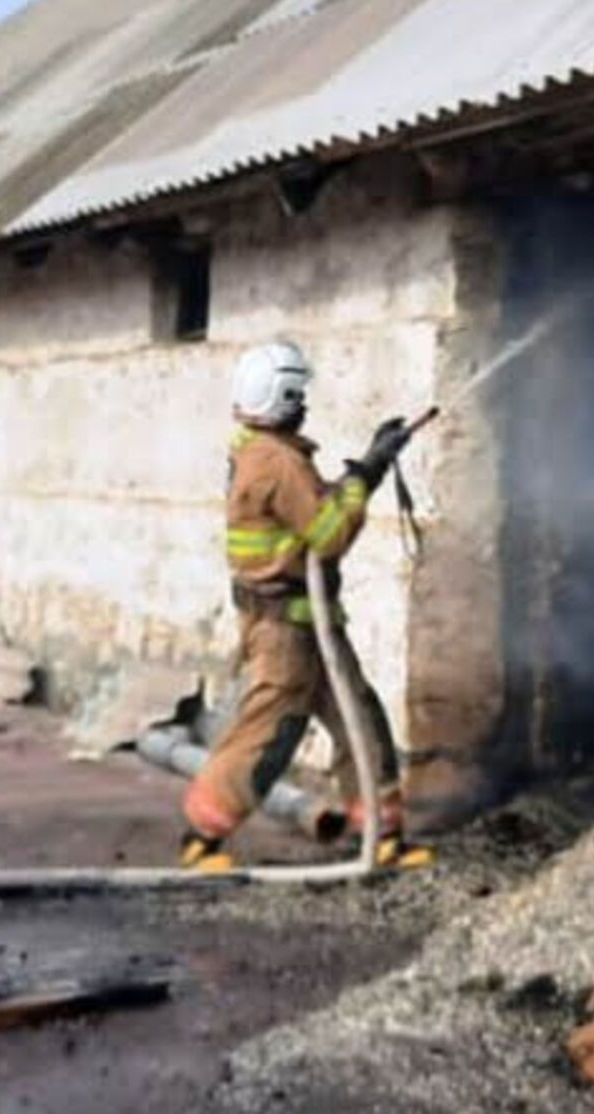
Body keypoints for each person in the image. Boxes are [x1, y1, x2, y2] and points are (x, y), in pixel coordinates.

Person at [178, 341, 434, 872]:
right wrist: (367, 476)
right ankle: (201, 839)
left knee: (359, 719)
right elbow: (331, 532)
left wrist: (369, 465)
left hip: (309, 626)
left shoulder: (264, 452)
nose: (305, 405)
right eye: (299, 395)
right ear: (283, 396)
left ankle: (383, 836)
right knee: (268, 734)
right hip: (285, 632)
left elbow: (312, 515)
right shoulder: (276, 461)